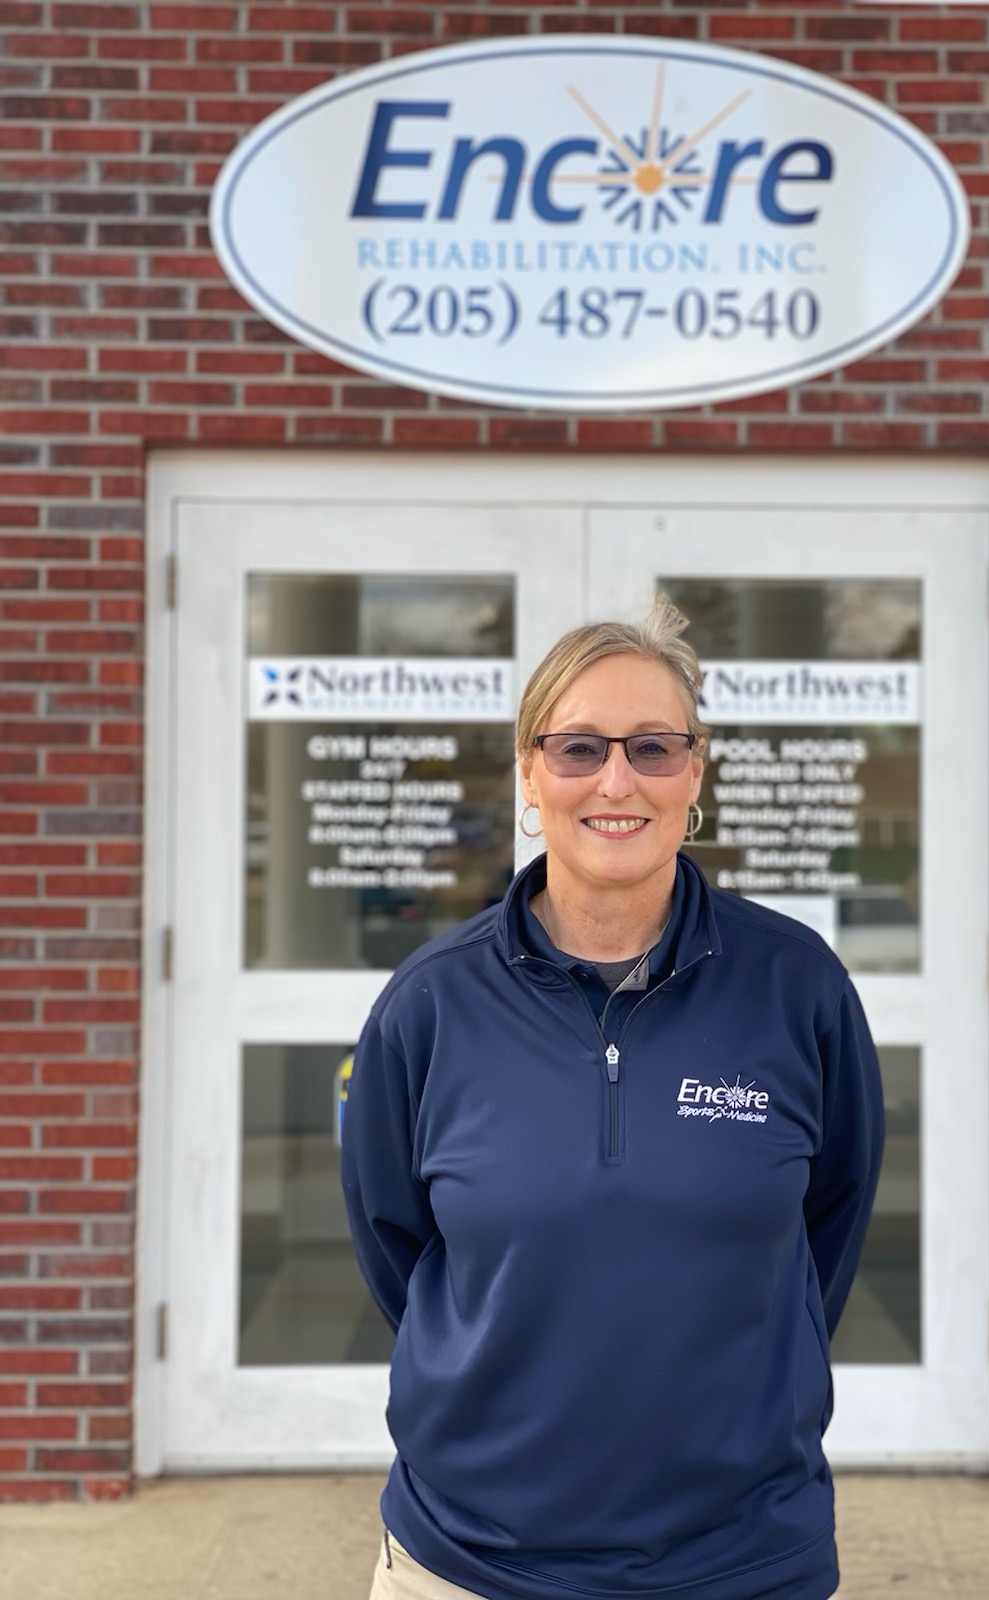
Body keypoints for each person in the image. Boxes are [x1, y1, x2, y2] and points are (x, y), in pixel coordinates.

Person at [342, 596, 885, 1600]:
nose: (617, 781)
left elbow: (828, 1232)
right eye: (580, 748)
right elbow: (398, 1250)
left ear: (695, 772)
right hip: (470, 1561)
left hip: (742, 1560)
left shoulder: (796, 986)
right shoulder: (431, 1004)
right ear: (529, 772)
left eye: (654, 747)